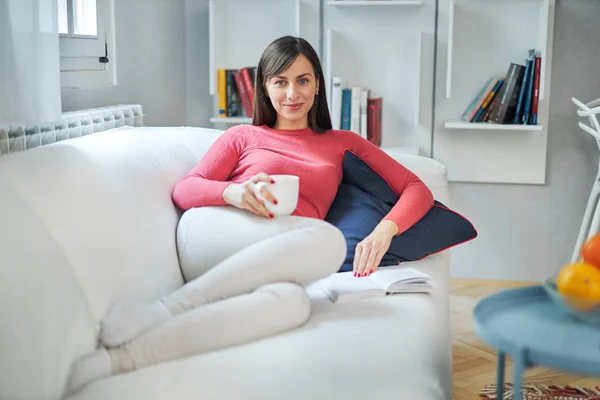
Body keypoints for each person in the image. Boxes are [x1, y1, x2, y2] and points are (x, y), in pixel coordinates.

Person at [66, 35, 433, 394]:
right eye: (280, 82)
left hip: (278, 256)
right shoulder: (243, 136)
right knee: (327, 240)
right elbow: (185, 190)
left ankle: (119, 361)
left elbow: (417, 188)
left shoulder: (342, 143)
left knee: (294, 303)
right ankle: (168, 307)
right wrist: (235, 193)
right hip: (216, 233)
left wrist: (384, 231)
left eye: (303, 81)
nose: (292, 94)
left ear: (318, 84)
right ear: (265, 87)